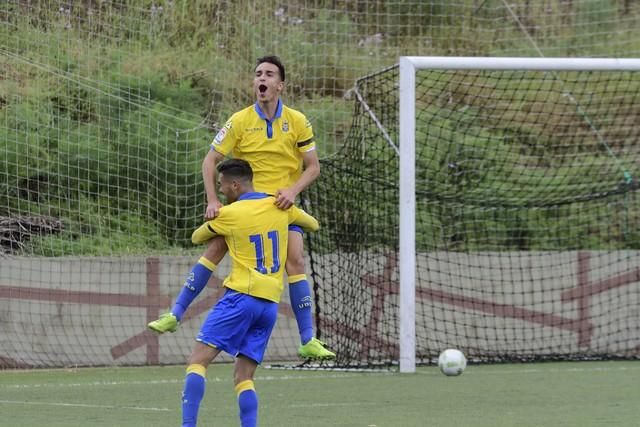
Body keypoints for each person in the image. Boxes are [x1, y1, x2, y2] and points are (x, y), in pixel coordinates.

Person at [148, 55, 334, 360]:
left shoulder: (298, 121)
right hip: (247, 210)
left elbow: (312, 167)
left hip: (282, 208)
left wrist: (292, 190)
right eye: (258, 74)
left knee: (296, 259)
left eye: (269, 74)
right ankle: (175, 314)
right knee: (215, 249)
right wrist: (213, 199)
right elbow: (210, 160)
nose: (262, 78)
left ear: (280, 85)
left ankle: (307, 339)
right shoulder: (239, 120)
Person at [180, 159, 320, 427]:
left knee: (197, 361)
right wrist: (286, 206)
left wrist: (215, 214)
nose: (220, 191)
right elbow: (312, 224)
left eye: (221, 185)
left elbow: (196, 237)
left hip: (239, 298)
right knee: (244, 377)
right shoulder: (280, 207)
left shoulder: (231, 214)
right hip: (268, 306)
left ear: (235, 184)